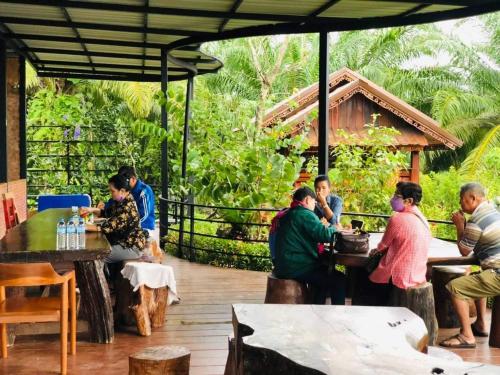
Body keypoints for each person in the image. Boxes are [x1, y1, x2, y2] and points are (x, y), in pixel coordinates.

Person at [440, 183, 500, 349]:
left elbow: (464, 250)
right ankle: (480, 324)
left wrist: (460, 226)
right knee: (477, 277)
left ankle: (467, 336)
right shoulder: (493, 212)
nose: (460, 203)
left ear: (473, 198)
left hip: (497, 274)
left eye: (462, 199)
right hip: (494, 270)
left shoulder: (477, 219)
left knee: (455, 287)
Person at [274, 186, 344, 304]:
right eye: (314, 201)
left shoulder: (289, 213)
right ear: (307, 200)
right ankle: (338, 316)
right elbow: (325, 235)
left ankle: (317, 310)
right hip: (295, 267)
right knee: (339, 280)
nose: (315, 205)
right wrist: (335, 228)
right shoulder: (305, 214)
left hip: (284, 265)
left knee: (323, 278)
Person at [365, 182, 431, 306]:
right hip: (419, 275)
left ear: (409, 201)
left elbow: (383, 245)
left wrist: (375, 250)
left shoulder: (397, 218)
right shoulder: (423, 219)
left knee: (364, 282)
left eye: (396, 196)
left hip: (398, 278)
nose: (393, 198)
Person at [83, 174, 147, 264]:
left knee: (97, 255)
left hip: (131, 247)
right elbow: (105, 212)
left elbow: (105, 228)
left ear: (122, 191)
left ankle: (102, 278)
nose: (111, 194)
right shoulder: (122, 200)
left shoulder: (127, 208)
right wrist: (91, 210)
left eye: (112, 191)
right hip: (123, 242)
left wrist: (83, 226)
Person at [100, 166, 156, 239]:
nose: (122, 182)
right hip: (127, 227)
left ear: (133, 179)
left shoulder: (144, 191)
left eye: (125, 180)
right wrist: (104, 206)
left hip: (144, 228)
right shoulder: (125, 190)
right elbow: (114, 203)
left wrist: (126, 223)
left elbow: (143, 215)